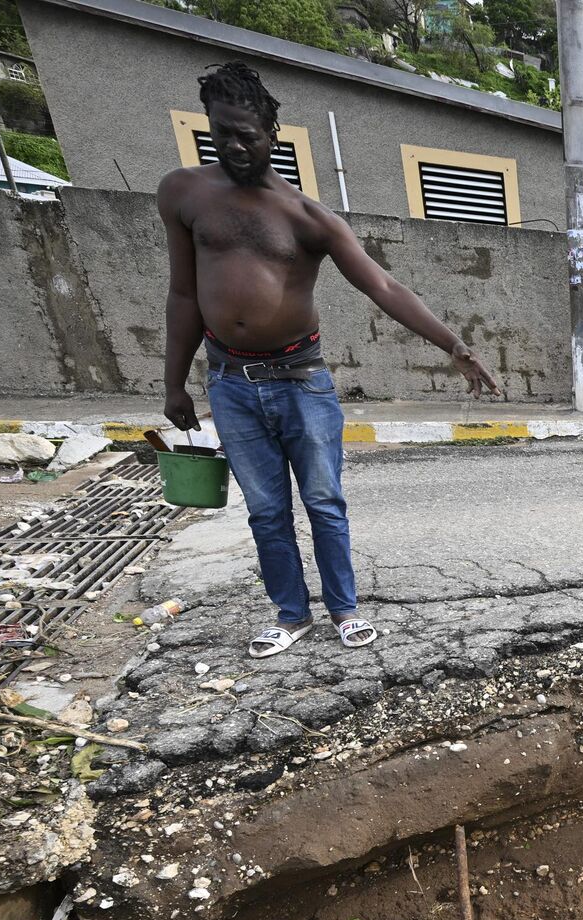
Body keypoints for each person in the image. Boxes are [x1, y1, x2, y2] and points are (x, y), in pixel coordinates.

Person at [159, 63, 498, 659]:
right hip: (230, 382)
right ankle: (291, 615)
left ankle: (343, 610)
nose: (236, 146)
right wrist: (175, 385)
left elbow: (384, 287)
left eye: (248, 135)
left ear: (273, 135)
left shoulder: (309, 218)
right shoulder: (184, 194)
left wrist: (454, 345)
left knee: (322, 502)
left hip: (300, 381)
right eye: (222, 133)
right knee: (266, 511)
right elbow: (184, 294)